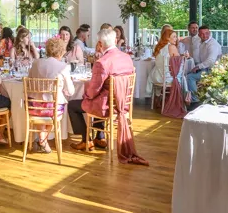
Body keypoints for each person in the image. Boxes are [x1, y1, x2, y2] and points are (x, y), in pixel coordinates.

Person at [68, 27, 146, 163]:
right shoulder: (127, 58)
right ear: (115, 40)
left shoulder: (102, 63)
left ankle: (86, 140)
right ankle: (99, 137)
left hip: (107, 106)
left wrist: (86, 94)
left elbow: (93, 90)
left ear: (100, 44)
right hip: (122, 105)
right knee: (98, 98)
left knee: (73, 105)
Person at [27, 35, 75, 153]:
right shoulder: (63, 67)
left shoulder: (36, 63)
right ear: (62, 51)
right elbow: (71, 91)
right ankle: (43, 140)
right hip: (52, 108)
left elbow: (29, 82)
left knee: (42, 111)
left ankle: (42, 139)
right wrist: (62, 90)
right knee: (52, 111)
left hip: (34, 106)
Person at [185, 25, 222, 103]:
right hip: (206, 68)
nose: (204, 35)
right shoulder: (202, 43)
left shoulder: (212, 44)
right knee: (187, 73)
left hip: (213, 70)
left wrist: (198, 66)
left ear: (209, 33)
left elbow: (211, 60)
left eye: (206, 33)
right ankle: (189, 98)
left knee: (189, 77)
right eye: (202, 34)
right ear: (199, 35)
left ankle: (195, 101)